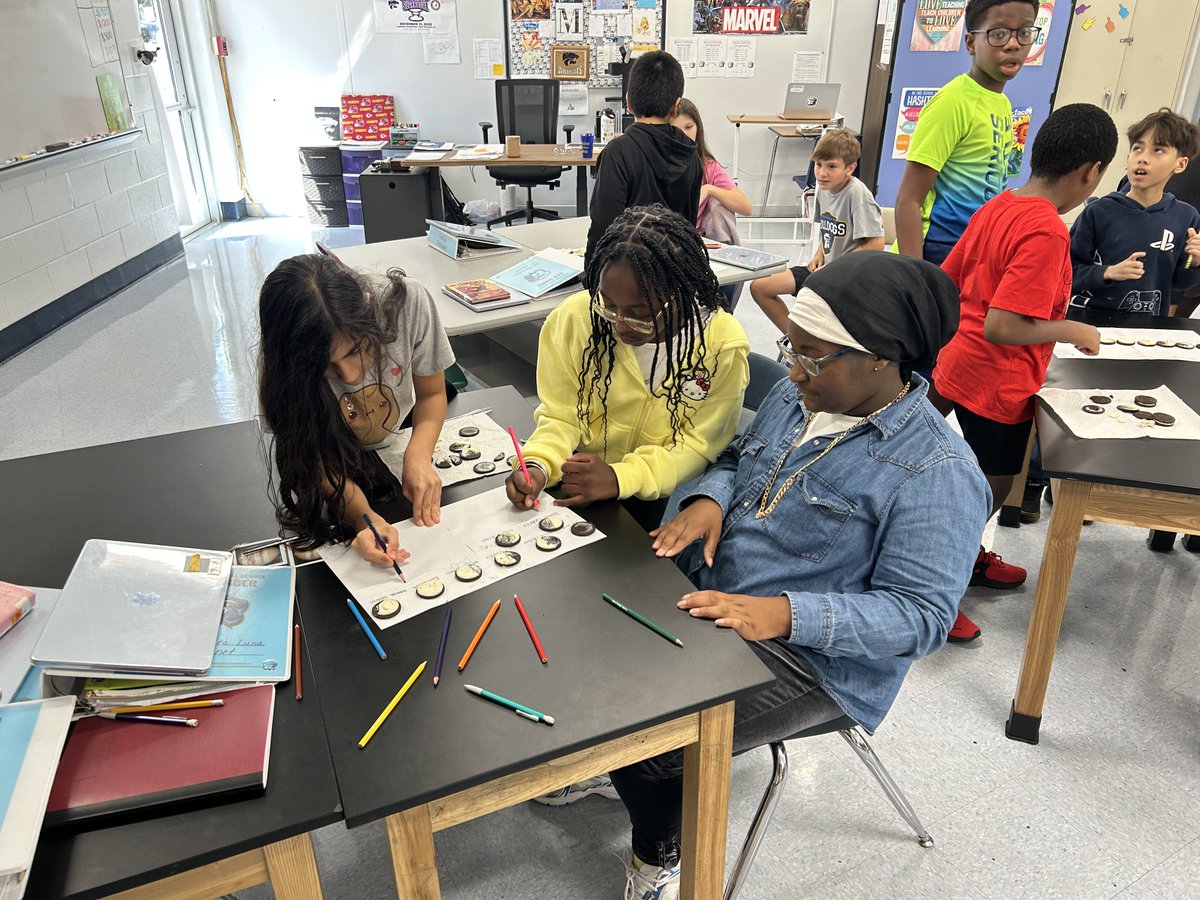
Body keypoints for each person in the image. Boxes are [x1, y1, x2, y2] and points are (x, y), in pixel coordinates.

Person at [607, 252, 990, 900]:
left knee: (647, 742)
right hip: (720, 589)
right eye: (791, 347)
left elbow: (920, 619)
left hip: (816, 661)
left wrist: (784, 614)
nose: (791, 370)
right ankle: (620, 762)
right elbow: (734, 454)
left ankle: (658, 854)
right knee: (597, 649)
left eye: (811, 355)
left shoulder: (938, 473)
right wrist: (712, 498)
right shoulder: (801, 392)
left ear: (881, 357)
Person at [932, 103, 1117, 641]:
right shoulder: (1047, 230)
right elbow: (1004, 327)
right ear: (1090, 173)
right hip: (995, 381)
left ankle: (965, 559)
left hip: (956, 363)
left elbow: (949, 278)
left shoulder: (999, 205)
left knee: (971, 484)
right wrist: (1071, 329)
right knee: (987, 492)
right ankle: (938, 591)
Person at [505, 204, 750, 533]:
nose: (620, 325)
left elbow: (697, 445)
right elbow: (561, 415)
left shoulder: (721, 346)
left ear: (681, 292)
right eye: (608, 304)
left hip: (651, 489)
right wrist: (538, 463)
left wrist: (621, 477)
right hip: (575, 473)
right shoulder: (575, 320)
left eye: (640, 312)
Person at [258, 254, 454, 566]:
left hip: (395, 442)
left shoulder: (407, 305)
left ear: (367, 309)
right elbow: (314, 455)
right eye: (325, 366)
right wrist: (363, 518)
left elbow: (432, 393)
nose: (349, 375)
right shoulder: (288, 368)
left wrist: (417, 457)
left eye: (355, 350)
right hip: (339, 461)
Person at [894, 0, 1038, 264]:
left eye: (1024, 32)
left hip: (973, 248)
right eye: (998, 34)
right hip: (936, 250)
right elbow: (908, 200)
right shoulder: (953, 102)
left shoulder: (1003, 103)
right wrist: (915, 279)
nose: (1013, 44)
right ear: (971, 43)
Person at [749, 128, 885, 333]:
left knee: (810, 309)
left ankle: (810, 345)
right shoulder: (823, 188)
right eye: (818, 165)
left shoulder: (857, 195)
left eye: (831, 166)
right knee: (760, 287)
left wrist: (834, 268)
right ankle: (797, 342)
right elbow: (829, 231)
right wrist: (819, 254)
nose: (822, 173)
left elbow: (876, 244)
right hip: (824, 272)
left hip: (848, 278)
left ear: (850, 168)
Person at [1068, 108, 1200, 317]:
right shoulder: (1098, 212)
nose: (1143, 158)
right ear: (1128, 157)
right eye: (1138, 148)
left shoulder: (1186, 217)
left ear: (1180, 164)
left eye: (1158, 150)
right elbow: (1066, 273)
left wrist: (1196, 263)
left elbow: (1179, 283)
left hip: (1147, 331)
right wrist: (1108, 272)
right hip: (1091, 325)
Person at [584, 51, 704, 271]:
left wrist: (591, 279)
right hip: (674, 277)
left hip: (627, 280)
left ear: (628, 102)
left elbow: (603, 228)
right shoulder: (691, 155)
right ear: (676, 106)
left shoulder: (617, 153)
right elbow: (688, 226)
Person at [669, 98, 753, 232]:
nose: (683, 134)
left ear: (698, 128)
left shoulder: (708, 166)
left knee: (719, 205)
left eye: (689, 127)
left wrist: (709, 189)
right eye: (676, 129)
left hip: (695, 240)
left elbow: (746, 207)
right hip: (666, 237)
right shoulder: (659, 164)